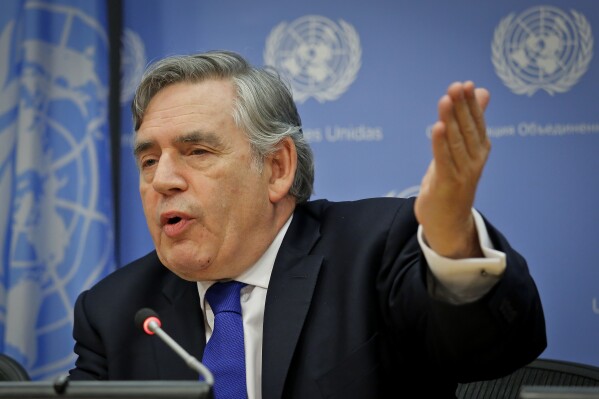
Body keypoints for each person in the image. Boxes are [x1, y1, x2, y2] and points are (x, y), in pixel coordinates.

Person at [68, 50, 546, 398]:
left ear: (277, 168)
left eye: (197, 152)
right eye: (148, 160)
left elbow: (492, 349)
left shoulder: (375, 251)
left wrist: (452, 240)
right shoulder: (115, 311)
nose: (163, 180)